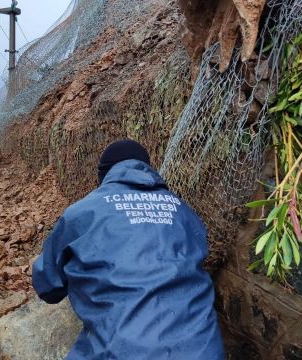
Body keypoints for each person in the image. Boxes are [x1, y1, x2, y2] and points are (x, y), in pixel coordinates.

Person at [32, 139, 224, 359]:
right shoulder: (184, 211)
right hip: (204, 351)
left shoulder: (82, 213)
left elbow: (47, 285)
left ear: (104, 176)